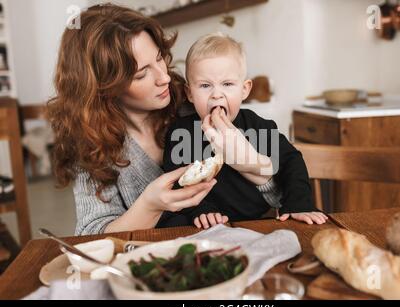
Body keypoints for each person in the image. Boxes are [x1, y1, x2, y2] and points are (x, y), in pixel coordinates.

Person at [46, 4, 281, 235]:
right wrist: (150, 206)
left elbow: (277, 198)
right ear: (104, 87)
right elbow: (91, 235)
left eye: (159, 59)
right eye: (141, 73)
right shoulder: (92, 141)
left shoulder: (195, 104)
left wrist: (255, 166)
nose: (164, 78)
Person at [161, 33, 328, 227]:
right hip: (205, 227)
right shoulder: (179, 132)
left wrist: (298, 204)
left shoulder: (258, 126)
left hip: (256, 222)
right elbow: (175, 183)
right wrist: (199, 209)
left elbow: (292, 161)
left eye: (227, 84)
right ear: (189, 93)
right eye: (205, 85)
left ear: (244, 90)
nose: (216, 95)